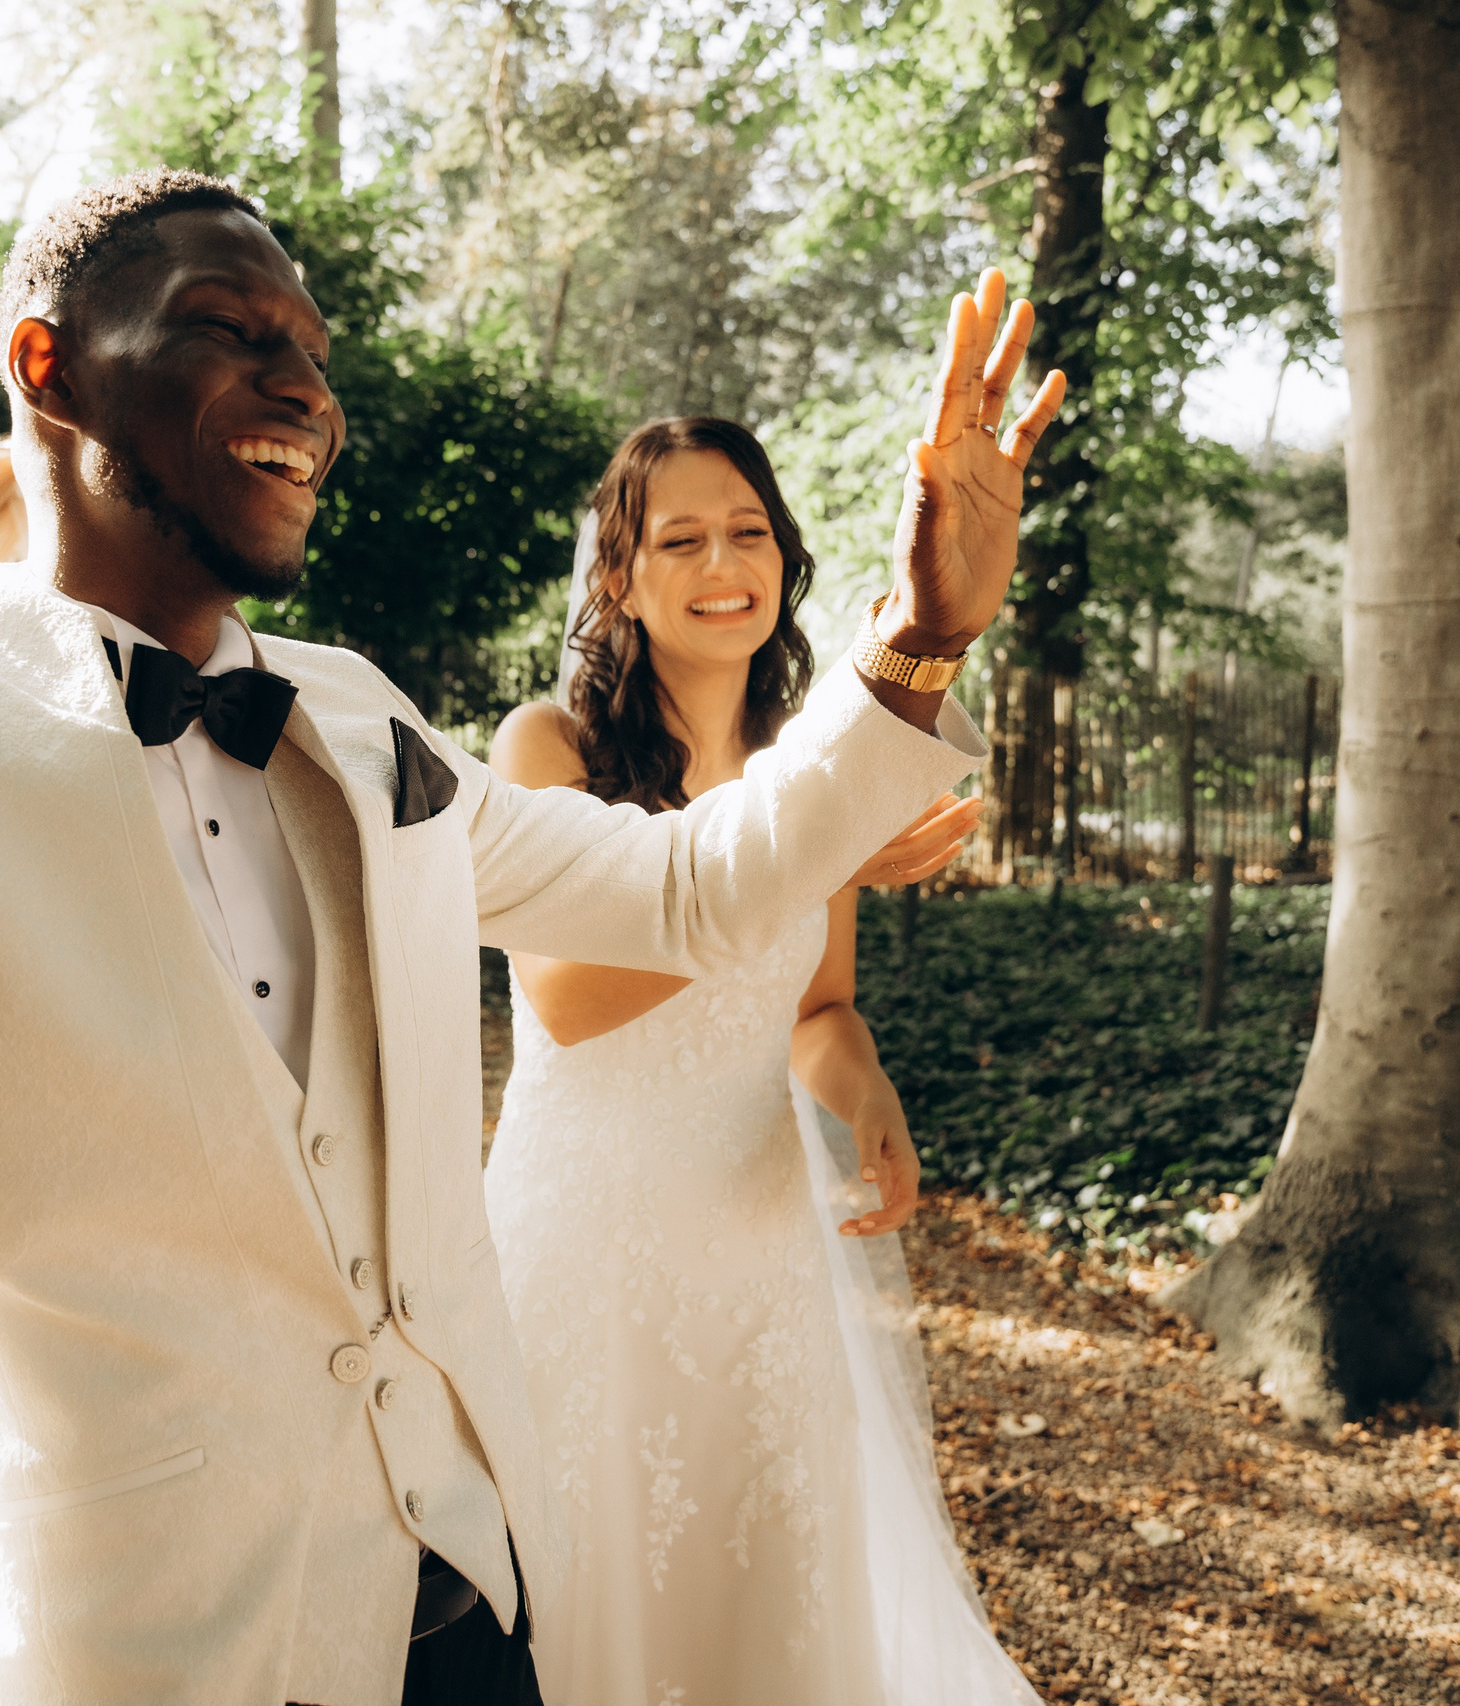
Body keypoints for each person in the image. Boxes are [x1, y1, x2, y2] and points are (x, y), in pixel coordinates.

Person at [0, 167, 1063, 1706]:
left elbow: (687, 890)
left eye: (316, 354)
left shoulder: (357, 716)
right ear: (48, 363)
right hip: (160, 1657)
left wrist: (921, 637)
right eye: (230, 331)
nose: (304, 391)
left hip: (482, 1604)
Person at [480, 413, 1045, 1704]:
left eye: (748, 532)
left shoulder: (805, 772)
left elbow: (817, 1005)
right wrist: (816, 847)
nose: (721, 560)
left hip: (757, 1256)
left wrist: (867, 1090)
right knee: (590, 1595)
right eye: (678, 538)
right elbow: (566, 995)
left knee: (763, 1605)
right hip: (586, 1255)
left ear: (785, 562)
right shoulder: (545, 750)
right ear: (617, 577)